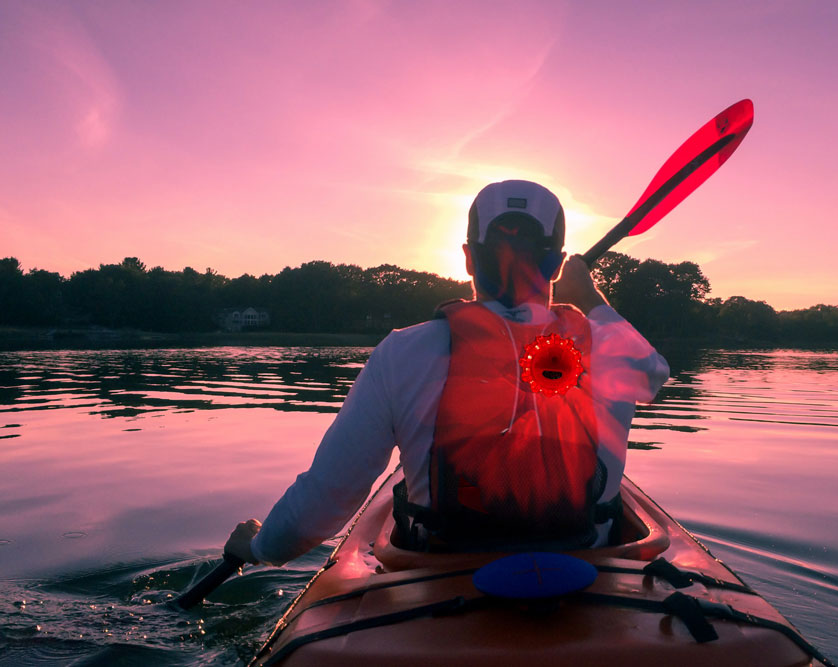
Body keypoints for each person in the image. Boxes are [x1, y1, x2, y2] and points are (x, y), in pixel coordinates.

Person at [225, 180, 669, 565]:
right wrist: (590, 296)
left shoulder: (403, 352)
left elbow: (323, 502)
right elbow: (653, 376)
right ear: (557, 263)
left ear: (468, 258)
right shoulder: (612, 350)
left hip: (442, 575)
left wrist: (260, 548)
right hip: (589, 572)